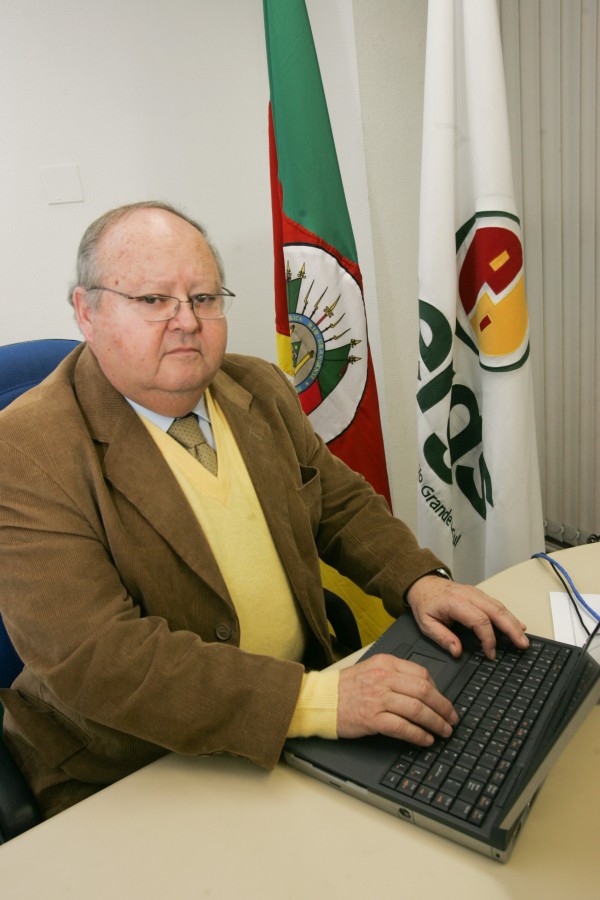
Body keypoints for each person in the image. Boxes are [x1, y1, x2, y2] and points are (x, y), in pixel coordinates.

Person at [0, 201, 529, 819]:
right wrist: (313, 702)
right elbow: (98, 659)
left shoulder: (257, 387)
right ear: (86, 312)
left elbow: (337, 503)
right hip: (129, 765)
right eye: (152, 300)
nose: (186, 322)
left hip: (294, 714)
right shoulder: (24, 451)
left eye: (203, 297)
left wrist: (417, 578)